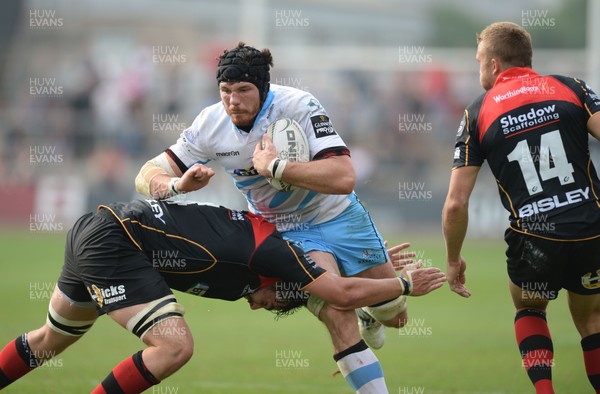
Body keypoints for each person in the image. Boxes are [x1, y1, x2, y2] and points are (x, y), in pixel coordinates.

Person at [135, 42, 411, 391]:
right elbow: (146, 174)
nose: (233, 100)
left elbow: (344, 178)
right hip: (282, 229)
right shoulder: (210, 123)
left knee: (397, 317)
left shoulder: (299, 106)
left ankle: (370, 310)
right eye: (225, 91)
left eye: (243, 90)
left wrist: (277, 167)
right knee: (337, 312)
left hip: (338, 214)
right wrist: (176, 184)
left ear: (263, 89)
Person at [0, 199, 446, 393]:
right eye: (275, 304)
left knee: (49, 341)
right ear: (279, 282)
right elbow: (340, 292)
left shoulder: (267, 260)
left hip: (93, 229)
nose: (260, 305)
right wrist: (404, 285)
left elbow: (331, 285)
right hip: (116, 240)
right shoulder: (276, 253)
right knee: (175, 347)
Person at [442, 21, 600, 394]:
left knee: (530, 309)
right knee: (593, 320)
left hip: (534, 235)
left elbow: (455, 204)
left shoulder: (478, 113)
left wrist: (453, 259)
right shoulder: (570, 87)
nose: (478, 67)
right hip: (590, 226)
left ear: (494, 65)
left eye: (479, 60)